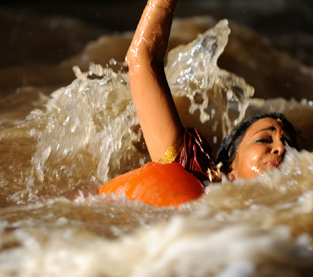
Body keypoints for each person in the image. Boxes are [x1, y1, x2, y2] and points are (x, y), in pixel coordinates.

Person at [125, 0, 297, 184]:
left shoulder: (311, 202)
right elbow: (142, 60)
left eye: (288, 145)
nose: (281, 148)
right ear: (230, 168)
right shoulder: (197, 177)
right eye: (264, 140)